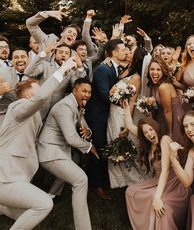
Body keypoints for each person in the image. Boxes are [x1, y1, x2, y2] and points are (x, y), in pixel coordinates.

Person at [0, 57, 77, 230]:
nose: (42, 92)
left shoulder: (29, 115)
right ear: (28, 96)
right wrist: (62, 70)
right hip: (5, 178)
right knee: (44, 204)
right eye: (38, 90)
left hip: (16, 177)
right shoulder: (18, 107)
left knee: (24, 216)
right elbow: (42, 97)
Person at [38, 77, 99, 230]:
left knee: (73, 163)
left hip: (60, 151)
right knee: (81, 179)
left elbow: (84, 124)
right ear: (74, 90)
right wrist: (89, 146)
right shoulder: (65, 107)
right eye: (84, 91)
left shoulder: (76, 104)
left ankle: (49, 198)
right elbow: (71, 138)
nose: (87, 95)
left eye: (89, 92)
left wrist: (88, 131)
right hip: (49, 151)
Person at [125, 115, 190, 230]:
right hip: (158, 181)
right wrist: (126, 105)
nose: (149, 134)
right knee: (130, 191)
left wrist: (157, 197)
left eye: (151, 129)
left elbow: (165, 170)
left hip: (174, 184)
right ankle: (145, 224)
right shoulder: (148, 142)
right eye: (145, 132)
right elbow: (130, 125)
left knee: (160, 205)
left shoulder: (164, 139)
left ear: (155, 128)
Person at [85, 39, 126, 200]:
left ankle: (100, 179)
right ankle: (96, 185)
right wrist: (124, 99)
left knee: (102, 147)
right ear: (115, 53)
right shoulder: (103, 70)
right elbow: (104, 94)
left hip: (105, 114)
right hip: (97, 116)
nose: (125, 51)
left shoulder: (114, 68)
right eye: (123, 49)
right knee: (98, 148)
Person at [107, 47, 147, 188]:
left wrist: (126, 124)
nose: (127, 52)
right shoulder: (127, 69)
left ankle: (133, 180)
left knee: (120, 141)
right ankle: (118, 179)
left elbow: (132, 102)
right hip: (113, 110)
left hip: (121, 112)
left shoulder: (136, 78)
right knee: (112, 139)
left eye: (130, 52)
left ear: (135, 58)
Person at [24, 44, 85, 120]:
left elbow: (77, 87)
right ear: (55, 54)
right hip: (37, 110)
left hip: (54, 114)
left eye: (66, 53)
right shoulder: (45, 65)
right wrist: (44, 53)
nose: (63, 55)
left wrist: (80, 68)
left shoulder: (71, 72)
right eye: (60, 52)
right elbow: (28, 72)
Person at [147, 57, 185, 143]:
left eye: (158, 70)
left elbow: (168, 111)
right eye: (152, 69)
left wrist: (170, 132)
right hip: (163, 118)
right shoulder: (153, 85)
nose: (155, 72)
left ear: (163, 71)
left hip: (174, 119)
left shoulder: (163, 87)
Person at [0, 48, 29, 123]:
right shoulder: (2, 73)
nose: (20, 59)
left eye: (23, 56)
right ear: (12, 61)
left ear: (29, 59)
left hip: (28, 118)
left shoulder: (37, 74)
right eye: (16, 57)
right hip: (4, 117)